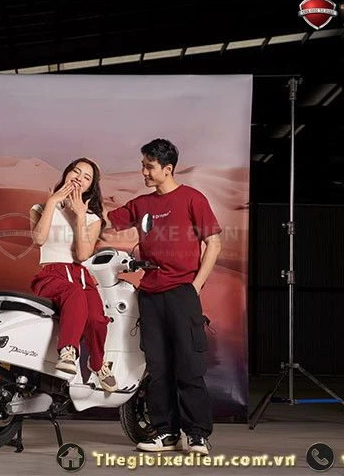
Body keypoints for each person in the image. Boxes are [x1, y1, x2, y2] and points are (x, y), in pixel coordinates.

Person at [106, 138, 221, 454]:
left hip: (182, 293)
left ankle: (196, 434)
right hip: (150, 295)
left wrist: (195, 286)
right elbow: (106, 223)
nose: (143, 172)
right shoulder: (140, 204)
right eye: (143, 165)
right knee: (157, 368)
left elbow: (214, 243)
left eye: (149, 166)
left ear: (168, 168)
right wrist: (76, 205)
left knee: (189, 365)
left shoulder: (192, 199)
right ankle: (166, 433)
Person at [29, 157, 118, 392]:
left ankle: (97, 364)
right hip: (52, 274)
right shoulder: (40, 208)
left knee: (97, 319)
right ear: (67, 173)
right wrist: (52, 201)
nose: (79, 178)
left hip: (81, 275)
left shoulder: (92, 219)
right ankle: (68, 350)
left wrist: (80, 216)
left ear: (90, 187)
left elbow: (82, 255)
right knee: (74, 293)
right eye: (76, 171)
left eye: (86, 177)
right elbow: (38, 239)